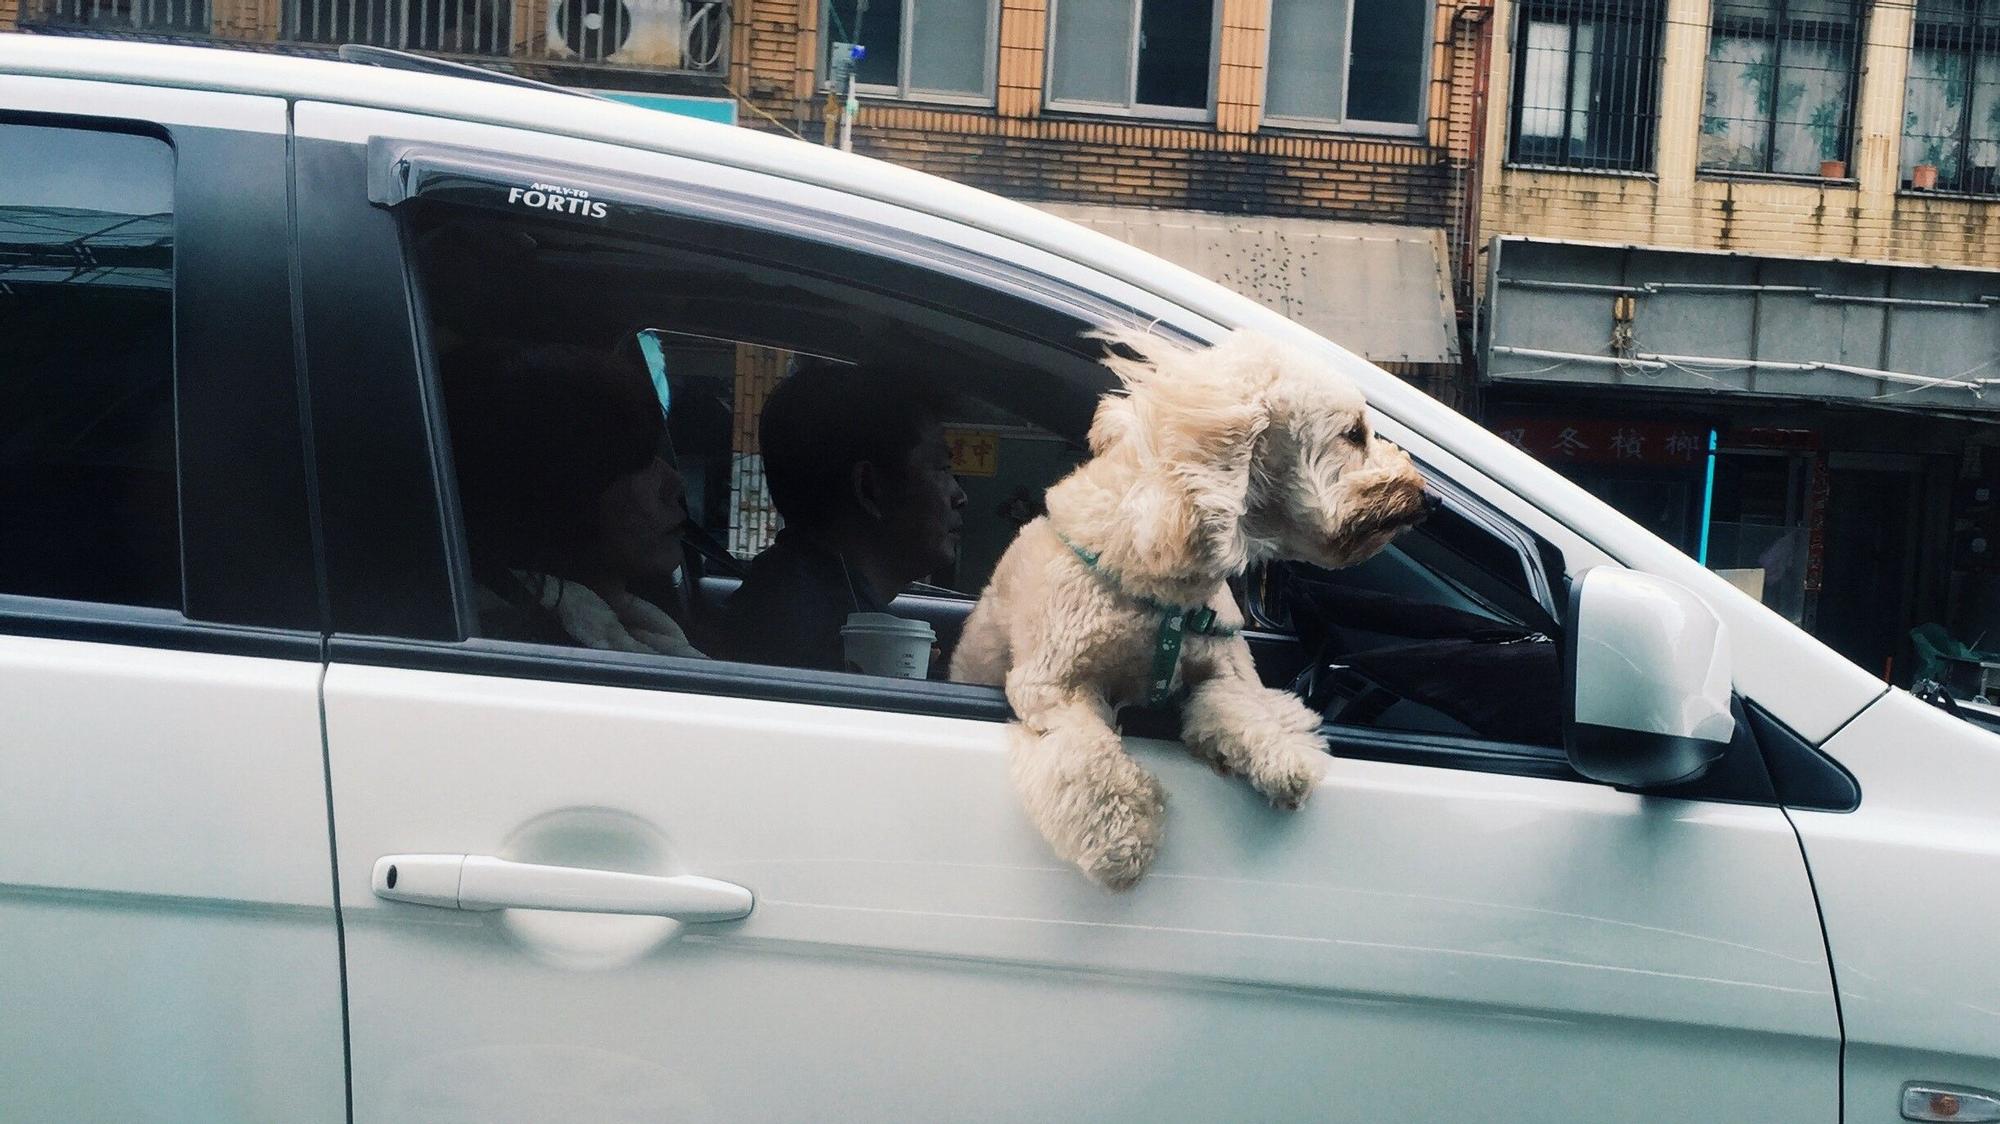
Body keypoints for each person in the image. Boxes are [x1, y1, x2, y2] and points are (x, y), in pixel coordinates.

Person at [440, 342, 704, 658]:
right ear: (570, 486)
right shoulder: (534, 650)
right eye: (639, 460)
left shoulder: (604, 626)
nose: (675, 482)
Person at [713, 360, 967, 671]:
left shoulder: (792, 600)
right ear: (869, 488)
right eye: (941, 468)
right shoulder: (814, 643)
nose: (959, 496)